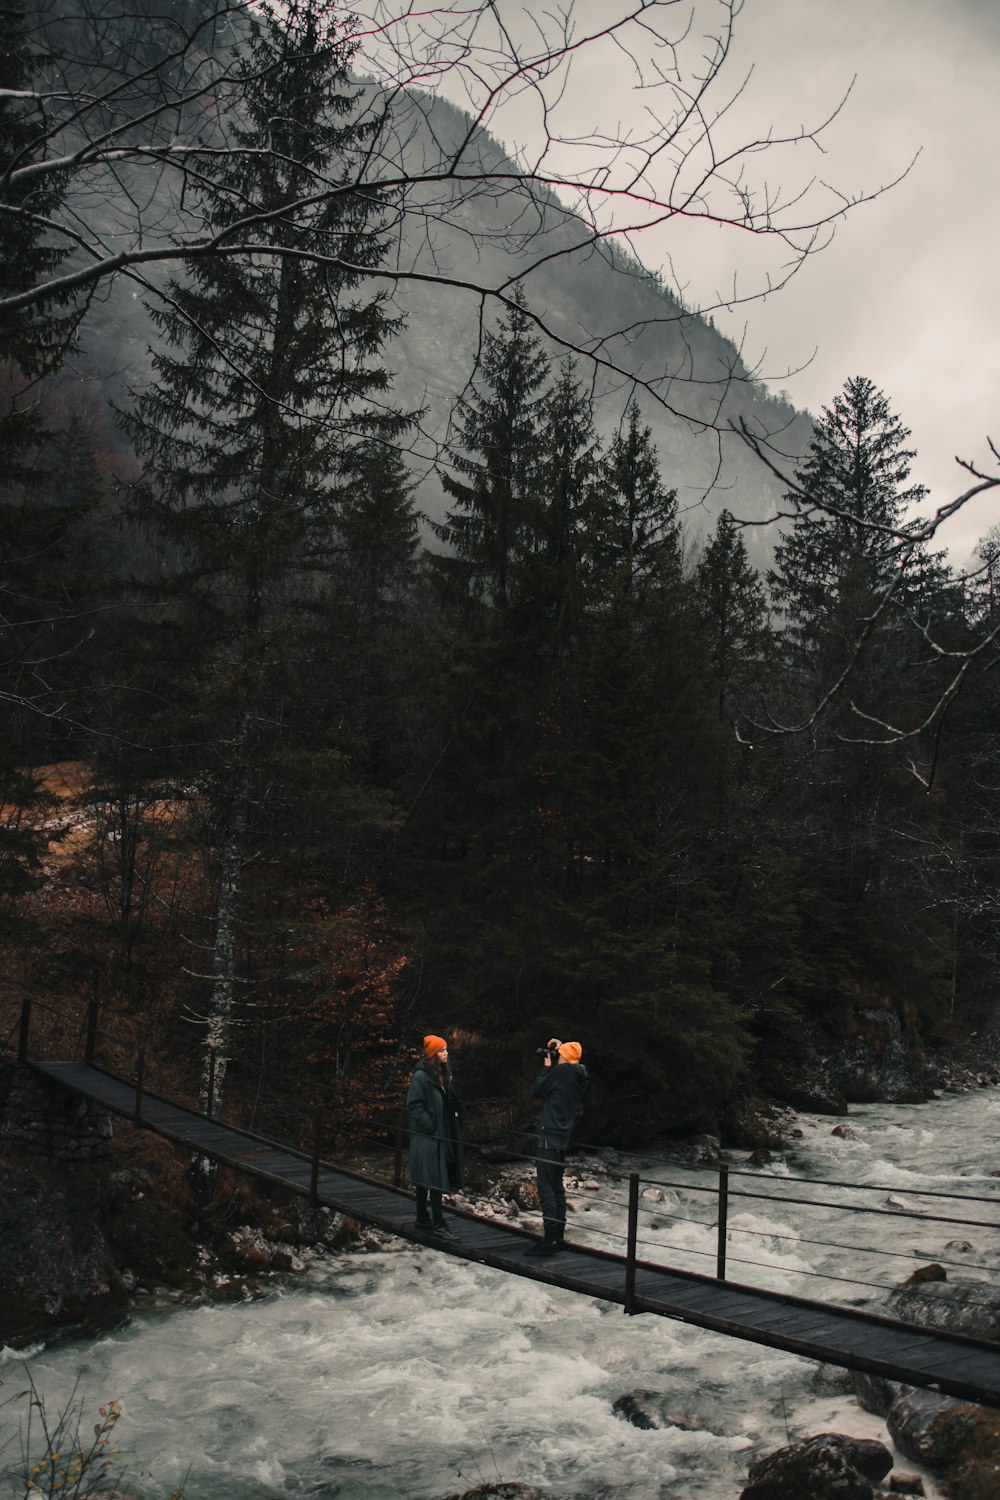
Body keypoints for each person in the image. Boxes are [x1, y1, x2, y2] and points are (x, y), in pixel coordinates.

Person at [523, 1037, 588, 1257]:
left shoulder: (561, 1073)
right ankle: (559, 1237)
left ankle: (549, 1240)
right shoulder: (579, 1075)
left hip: (549, 1137)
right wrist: (560, 1049)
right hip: (563, 1137)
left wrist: (547, 1068)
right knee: (557, 1187)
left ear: (564, 1059)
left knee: (546, 1188)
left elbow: (537, 1090)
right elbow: (568, 1064)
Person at [405, 1034, 465, 1240]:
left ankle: (422, 1219)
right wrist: (430, 1126)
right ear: (432, 1054)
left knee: (427, 1178)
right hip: (427, 1135)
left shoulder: (442, 1075)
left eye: (446, 1049)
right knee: (435, 1179)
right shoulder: (422, 1076)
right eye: (441, 1050)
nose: (446, 1053)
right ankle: (438, 1224)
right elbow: (414, 1104)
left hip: (438, 1133)